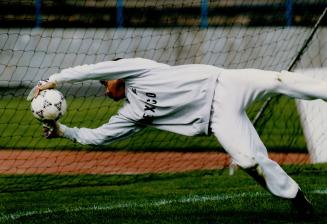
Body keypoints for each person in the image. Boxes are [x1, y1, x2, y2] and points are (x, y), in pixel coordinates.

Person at [31, 57, 320, 215]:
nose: (106, 90)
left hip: (226, 82)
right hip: (218, 119)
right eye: (104, 87)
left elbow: (95, 68)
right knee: (248, 161)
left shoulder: (138, 69)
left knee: (280, 80)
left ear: (117, 75)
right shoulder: (131, 114)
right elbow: (99, 137)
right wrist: (63, 131)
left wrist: (56, 79)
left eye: (106, 84)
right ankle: (296, 197)